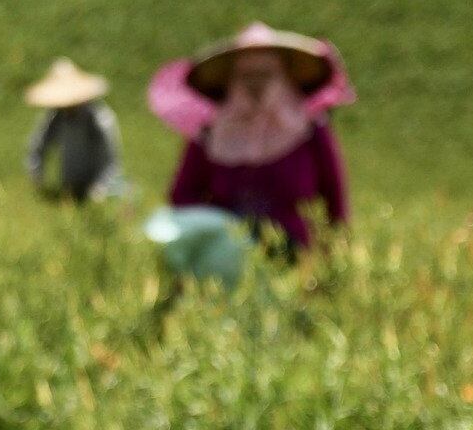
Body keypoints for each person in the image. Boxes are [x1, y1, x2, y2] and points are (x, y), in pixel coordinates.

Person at [150, 22, 354, 257]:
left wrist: (334, 256)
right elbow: (182, 196)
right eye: (247, 76)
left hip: (297, 257)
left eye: (265, 74)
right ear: (232, 80)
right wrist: (216, 225)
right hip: (224, 258)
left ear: (283, 76)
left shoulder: (309, 131)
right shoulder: (210, 135)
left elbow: (335, 199)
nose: (256, 85)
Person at [23, 58, 126, 203]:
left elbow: (110, 161)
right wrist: (37, 177)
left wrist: (99, 189)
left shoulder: (100, 119)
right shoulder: (56, 116)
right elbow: (38, 145)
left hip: (100, 189)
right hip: (69, 185)